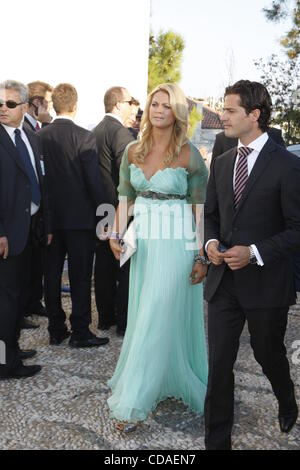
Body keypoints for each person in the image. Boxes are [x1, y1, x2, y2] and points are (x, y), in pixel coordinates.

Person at [204, 80, 300, 450]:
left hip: (266, 284)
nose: (222, 116)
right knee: (219, 366)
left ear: (254, 115)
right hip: (223, 283)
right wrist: (211, 243)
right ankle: (217, 442)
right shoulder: (223, 161)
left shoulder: (288, 166)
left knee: (268, 354)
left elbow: (297, 229)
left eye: (229, 111)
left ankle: (286, 396)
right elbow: (211, 216)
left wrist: (255, 251)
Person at [107, 83, 208, 431]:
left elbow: (198, 210)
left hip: (177, 240)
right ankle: (160, 379)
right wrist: (116, 233)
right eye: (154, 104)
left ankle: (135, 399)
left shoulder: (189, 154)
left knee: (156, 312)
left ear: (177, 112)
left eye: (166, 105)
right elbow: (124, 198)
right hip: (145, 242)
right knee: (146, 313)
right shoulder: (132, 150)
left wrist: (200, 255)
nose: (158, 110)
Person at [39, 83, 109, 348]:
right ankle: (80, 330)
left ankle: (55, 328)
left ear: (54, 105)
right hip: (80, 220)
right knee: (80, 276)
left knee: (52, 274)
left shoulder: (40, 137)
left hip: (49, 220)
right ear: (76, 106)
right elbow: (93, 181)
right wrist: (106, 213)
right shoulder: (84, 136)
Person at [0, 80, 52, 379]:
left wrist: (45, 225)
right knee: (5, 304)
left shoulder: (32, 138)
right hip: (7, 234)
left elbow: (39, 182)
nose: (3, 109)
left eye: (9, 104)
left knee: (19, 300)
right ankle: (5, 363)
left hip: (32, 230)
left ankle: (12, 349)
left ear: (24, 106)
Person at [93, 87, 135, 336]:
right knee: (123, 264)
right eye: (129, 102)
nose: (133, 106)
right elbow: (127, 175)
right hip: (118, 208)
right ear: (119, 105)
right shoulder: (119, 132)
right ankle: (123, 322)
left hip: (100, 207)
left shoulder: (96, 130)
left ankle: (104, 317)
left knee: (103, 265)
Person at [211, 127, 285, 161]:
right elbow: (214, 180)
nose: (223, 117)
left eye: (232, 111)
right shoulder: (221, 139)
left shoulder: (274, 135)